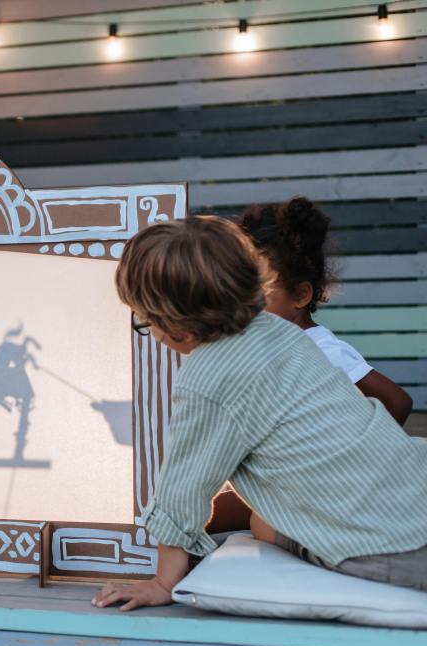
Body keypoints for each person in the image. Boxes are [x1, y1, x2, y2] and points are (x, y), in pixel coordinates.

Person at [93, 216, 427, 611]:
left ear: (174, 326)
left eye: (145, 322)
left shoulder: (207, 378)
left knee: (267, 523)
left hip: (377, 541)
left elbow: (183, 489)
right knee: (265, 522)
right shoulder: (280, 329)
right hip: (408, 484)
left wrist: (165, 581)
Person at [241, 197, 412, 424]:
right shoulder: (270, 341)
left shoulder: (322, 349)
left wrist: (361, 449)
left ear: (301, 295)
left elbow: (397, 401)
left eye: (260, 290)